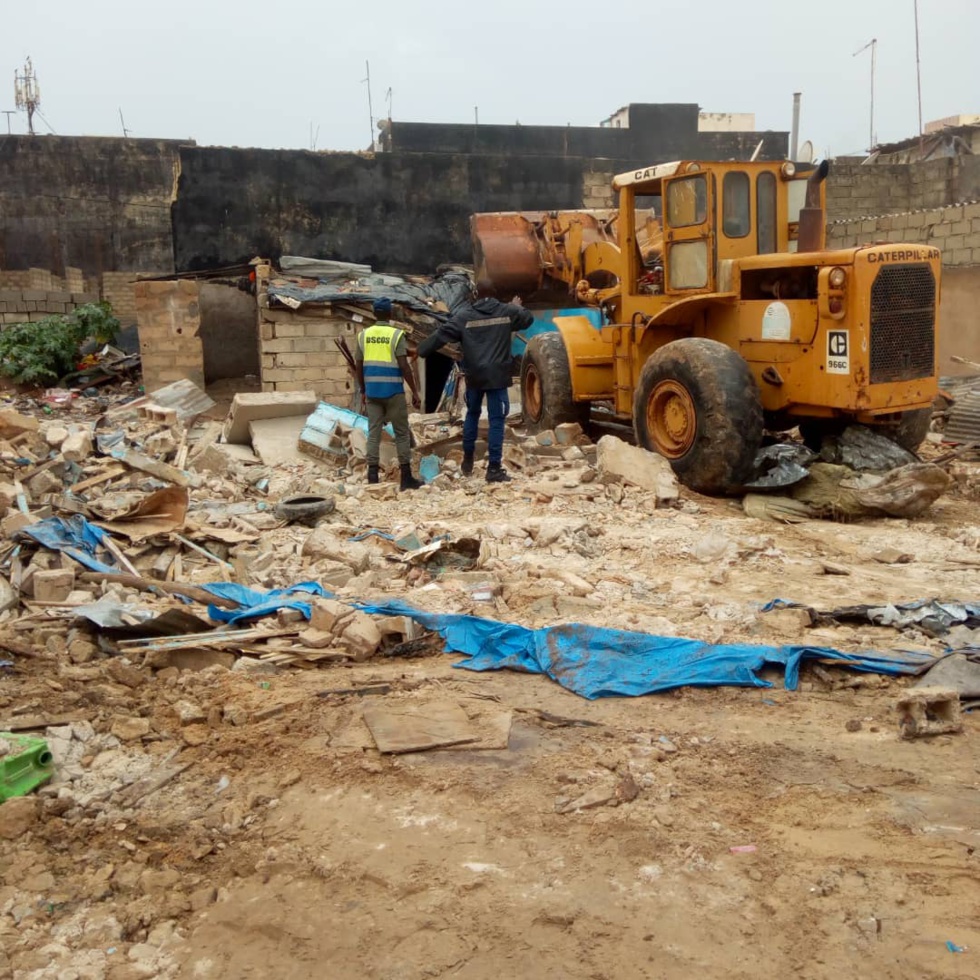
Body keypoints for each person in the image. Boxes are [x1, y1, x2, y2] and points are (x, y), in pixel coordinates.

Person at [418, 286, 533, 483]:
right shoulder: (507, 311)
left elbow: (441, 335)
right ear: (494, 293)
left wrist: (421, 350)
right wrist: (516, 307)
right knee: (497, 420)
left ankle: (468, 460)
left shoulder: (464, 316)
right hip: (497, 376)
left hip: (475, 376)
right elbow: (528, 319)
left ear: (474, 295)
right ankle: (494, 469)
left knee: (472, 415)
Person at [355, 297, 422, 491]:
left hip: (373, 392)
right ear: (390, 314)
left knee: (373, 433)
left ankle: (373, 476)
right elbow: (403, 365)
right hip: (393, 392)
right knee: (401, 434)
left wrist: (364, 390)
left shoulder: (364, 335)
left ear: (375, 314)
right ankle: (406, 478)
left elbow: (359, 365)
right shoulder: (396, 335)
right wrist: (415, 391)